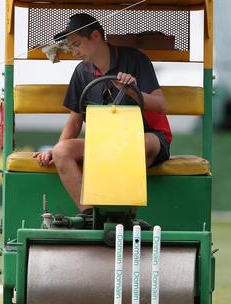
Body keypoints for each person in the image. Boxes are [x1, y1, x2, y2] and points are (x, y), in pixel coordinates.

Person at [33, 13, 171, 219]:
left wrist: (132, 90)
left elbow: (161, 105)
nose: (74, 51)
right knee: (62, 151)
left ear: (96, 36)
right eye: (71, 46)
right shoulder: (81, 72)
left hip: (147, 137)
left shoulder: (135, 60)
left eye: (77, 44)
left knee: (133, 145)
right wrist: (55, 150)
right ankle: (90, 216)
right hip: (105, 142)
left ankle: (127, 216)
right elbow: (75, 119)